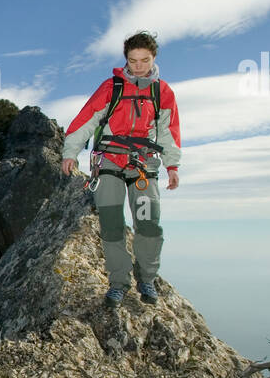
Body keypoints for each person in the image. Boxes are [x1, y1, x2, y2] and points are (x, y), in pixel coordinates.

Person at [61, 31, 182, 308]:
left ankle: (147, 279)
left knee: (148, 223)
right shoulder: (112, 87)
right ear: (125, 59)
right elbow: (86, 120)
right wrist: (70, 153)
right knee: (112, 224)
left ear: (154, 59)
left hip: (142, 165)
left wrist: (172, 165)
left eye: (145, 60)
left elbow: (168, 131)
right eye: (133, 60)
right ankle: (118, 283)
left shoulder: (162, 92)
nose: (139, 66)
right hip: (110, 163)